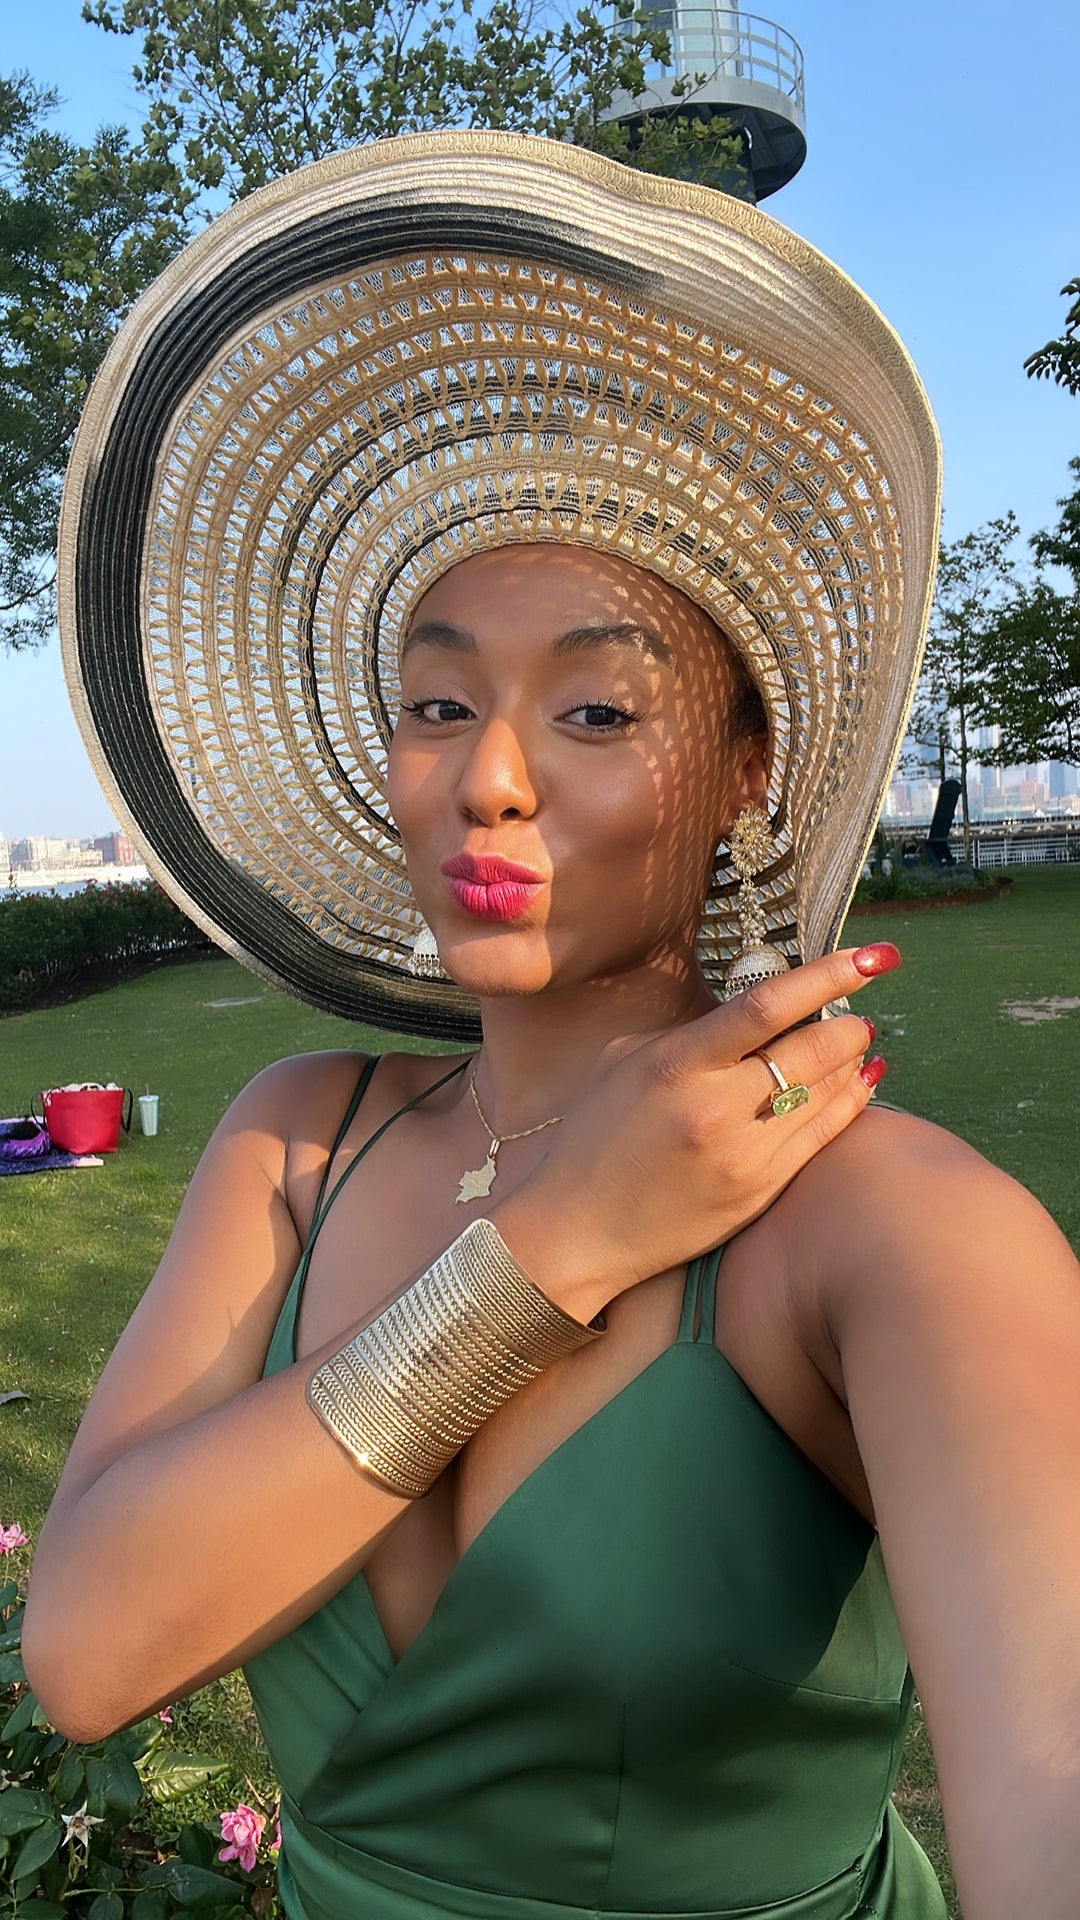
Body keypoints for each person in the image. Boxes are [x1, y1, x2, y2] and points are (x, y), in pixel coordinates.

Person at [25, 134, 1080, 1920]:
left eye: (595, 712)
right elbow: (85, 1653)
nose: (488, 779)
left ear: (748, 770)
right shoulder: (297, 1137)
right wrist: (555, 1243)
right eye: (438, 703)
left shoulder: (888, 1228)